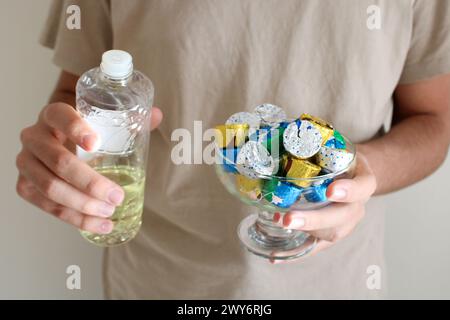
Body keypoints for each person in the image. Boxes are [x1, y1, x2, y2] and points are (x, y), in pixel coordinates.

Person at [16, 0, 450, 299]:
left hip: (337, 281)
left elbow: (434, 121)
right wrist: (71, 151)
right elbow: (85, 90)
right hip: (161, 280)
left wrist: (358, 171)